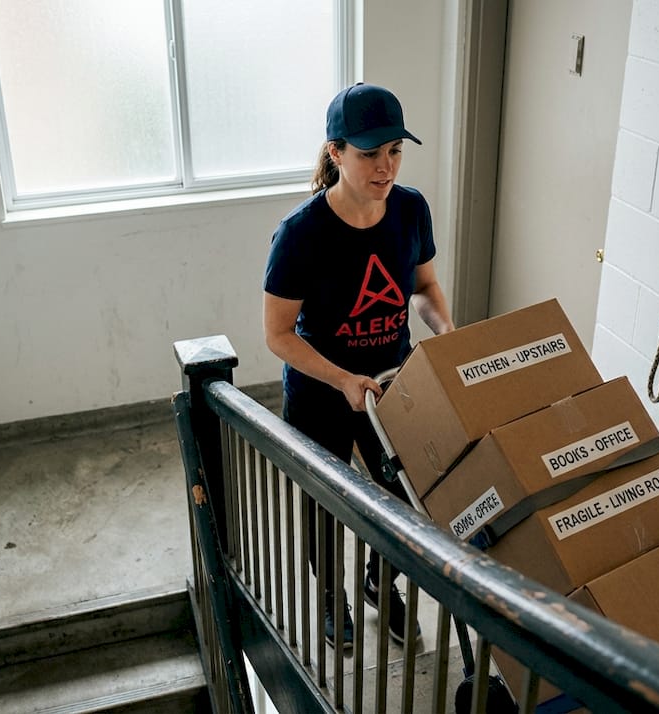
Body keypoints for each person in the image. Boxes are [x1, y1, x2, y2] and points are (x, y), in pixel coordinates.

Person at [262, 82, 455, 650]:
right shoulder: (300, 234)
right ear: (336, 152)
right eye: (369, 153)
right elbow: (276, 336)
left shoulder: (411, 208)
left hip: (391, 383)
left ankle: (379, 579)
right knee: (327, 500)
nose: (385, 166)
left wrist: (444, 331)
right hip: (324, 389)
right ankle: (331, 596)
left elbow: (423, 286)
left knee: (405, 494)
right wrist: (343, 379)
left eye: (394, 150)